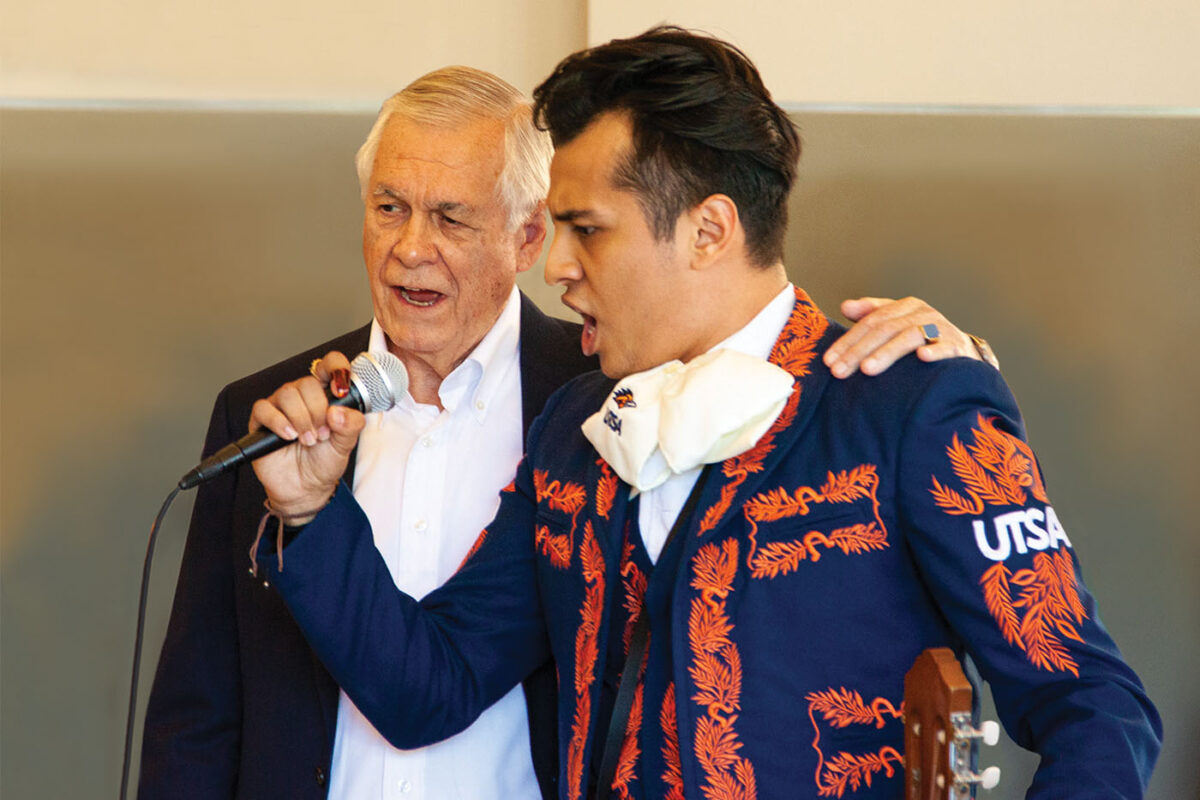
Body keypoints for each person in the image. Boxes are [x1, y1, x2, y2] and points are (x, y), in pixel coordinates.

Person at [141, 62, 1001, 800]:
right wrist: (310, 516)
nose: (408, 248)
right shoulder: (568, 433)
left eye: (450, 217)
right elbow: (406, 688)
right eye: (388, 208)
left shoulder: (874, 400)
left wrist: (954, 380)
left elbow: (1088, 703)